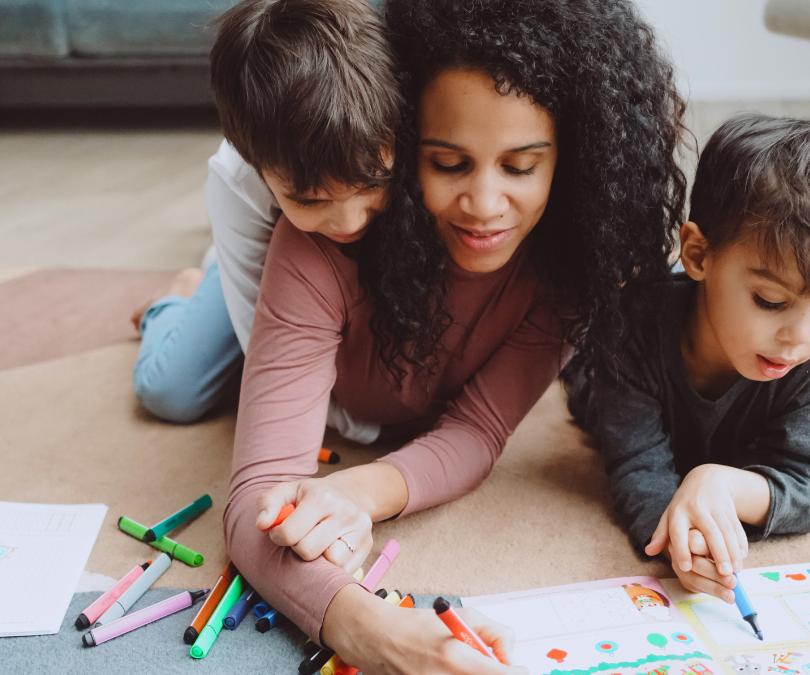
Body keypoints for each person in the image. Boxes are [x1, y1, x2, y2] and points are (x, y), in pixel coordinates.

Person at [225, 0, 688, 672]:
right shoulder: (322, 237)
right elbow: (258, 495)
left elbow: (478, 429)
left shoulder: (569, 264)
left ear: (573, 159)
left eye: (521, 167)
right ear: (403, 143)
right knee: (183, 378)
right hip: (288, 306)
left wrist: (360, 491)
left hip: (368, 377)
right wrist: (369, 629)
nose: (486, 206)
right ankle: (199, 288)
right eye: (448, 164)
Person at [565, 113, 810, 604]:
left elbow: (803, 481)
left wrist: (720, 484)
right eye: (770, 301)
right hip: (601, 371)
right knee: (582, 359)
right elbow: (639, 467)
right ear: (697, 254)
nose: (798, 339)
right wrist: (687, 542)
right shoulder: (631, 326)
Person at [130, 0, 401, 425]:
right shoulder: (235, 180)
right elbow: (267, 350)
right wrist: (357, 425)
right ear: (255, 167)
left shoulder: (391, 116)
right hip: (258, 264)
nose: (351, 222)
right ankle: (177, 297)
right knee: (170, 392)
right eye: (310, 200)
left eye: (373, 184)